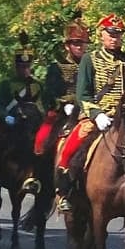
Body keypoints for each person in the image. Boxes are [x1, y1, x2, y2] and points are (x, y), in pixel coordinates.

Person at [54, 13, 125, 210]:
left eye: (118, 34)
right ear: (101, 35)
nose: (115, 38)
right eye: (110, 34)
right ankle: (66, 191)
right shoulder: (90, 59)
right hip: (99, 116)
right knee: (74, 146)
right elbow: (83, 95)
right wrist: (97, 114)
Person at [38, 16, 89, 154]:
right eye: (76, 43)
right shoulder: (57, 67)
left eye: (83, 43)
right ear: (67, 45)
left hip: (89, 109)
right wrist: (63, 105)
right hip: (64, 112)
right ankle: (40, 172)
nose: (80, 46)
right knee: (42, 139)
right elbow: (49, 94)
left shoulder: (93, 65)